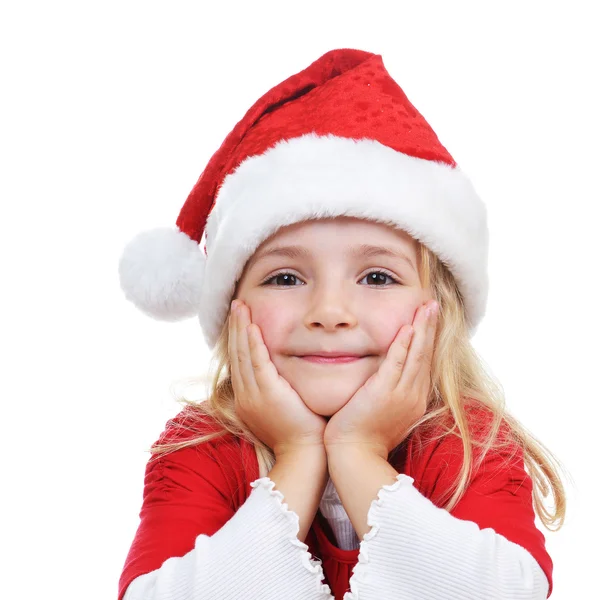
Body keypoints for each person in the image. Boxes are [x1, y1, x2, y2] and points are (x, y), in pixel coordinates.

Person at [116, 48, 566, 600]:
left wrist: (357, 453)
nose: (329, 312)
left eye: (377, 278)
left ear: (439, 308)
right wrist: (297, 457)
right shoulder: (199, 446)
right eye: (285, 278)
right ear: (232, 304)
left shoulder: (471, 442)